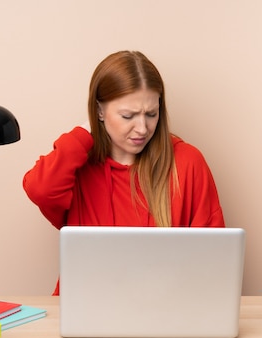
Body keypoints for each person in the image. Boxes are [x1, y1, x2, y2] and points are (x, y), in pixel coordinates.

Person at [22, 51, 225, 295]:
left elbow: (214, 259)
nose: (142, 128)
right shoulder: (77, 166)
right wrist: (86, 132)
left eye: (151, 114)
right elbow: (40, 188)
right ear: (99, 111)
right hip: (86, 307)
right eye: (127, 116)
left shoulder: (187, 162)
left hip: (166, 309)